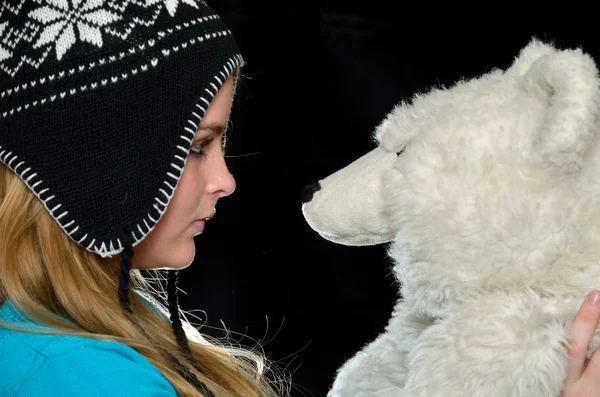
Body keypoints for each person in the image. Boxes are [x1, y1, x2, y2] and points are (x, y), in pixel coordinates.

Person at [0, 1, 286, 396]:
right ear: (96, 165)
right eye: (197, 146)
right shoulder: (91, 377)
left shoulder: (75, 331)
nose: (225, 181)